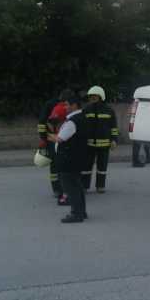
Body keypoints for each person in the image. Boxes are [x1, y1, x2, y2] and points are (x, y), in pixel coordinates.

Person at [48, 95, 88, 223]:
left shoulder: (72, 121)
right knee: (78, 187)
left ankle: (76, 214)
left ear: (74, 105)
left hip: (68, 159)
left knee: (71, 188)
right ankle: (82, 212)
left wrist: (48, 136)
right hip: (77, 157)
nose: (65, 108)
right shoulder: (82, 117)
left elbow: (60, 138)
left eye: (66, 105)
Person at [81, 86, 119, 193]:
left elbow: (114, 127)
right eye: (91, 96)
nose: (92, 98)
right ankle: (84, 186)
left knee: (102, 167)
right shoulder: (86, 109)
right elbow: (81, 125)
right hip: (89, 144)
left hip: (104, 144)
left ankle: (100, 186)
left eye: (94, 96)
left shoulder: (109, 110)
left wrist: (114, 140)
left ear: (101, 96)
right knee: (86, 167)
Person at [37, 89, 73, 198]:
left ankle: (63, 188)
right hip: (53, 138)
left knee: (60, 163)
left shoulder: (55, 105)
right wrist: (44, 138)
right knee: (55, 163)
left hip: (60, 138)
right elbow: (43, 122)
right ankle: (57, 188)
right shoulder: (51, 105)